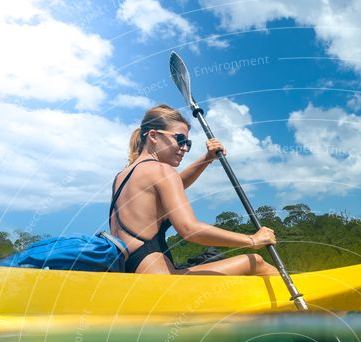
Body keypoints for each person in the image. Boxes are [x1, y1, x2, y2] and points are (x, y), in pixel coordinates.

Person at [110, 104, 278, 275]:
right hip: (161, 282)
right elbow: (190, 230)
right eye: (180, 139)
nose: (185, 148)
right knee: (254, 262)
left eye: (188, 143)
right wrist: (252, 240)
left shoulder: (122, 176)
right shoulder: (162, 170)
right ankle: (299, 298)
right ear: (153, 136)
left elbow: (174, 186)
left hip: (131, 273)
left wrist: (207, 158)